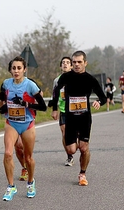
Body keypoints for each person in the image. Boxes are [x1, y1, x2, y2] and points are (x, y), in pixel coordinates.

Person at [51, 50, 107, 186]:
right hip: (70, 118)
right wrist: (54, 109)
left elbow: (103, 97)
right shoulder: (65, 77)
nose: (76, 65)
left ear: (85, 63)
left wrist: (98, 102)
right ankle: (73, 146)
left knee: (84, 148)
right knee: (71, 149)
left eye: (79, 62)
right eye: (74, 62)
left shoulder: (91, 79)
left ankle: (82, 174)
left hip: (84, 118)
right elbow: (56, 92)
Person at [0, 56, 47, 201]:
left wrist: (25, 104)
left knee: (28, 157)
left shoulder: (30, 85)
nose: (16, 71)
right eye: (13, 68)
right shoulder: (6, 84)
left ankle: (31, 182)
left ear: (24, 70)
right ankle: (10, 186)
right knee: (8, 154)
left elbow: (43, 107)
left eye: (19, 68)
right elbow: (1, 107)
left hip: (27, 124)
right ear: (10, 70)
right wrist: (7, 106)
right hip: (12, 123)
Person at [50, 56, 74, 166]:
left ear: (71, 66)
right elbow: (54, 96)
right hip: (63, 110)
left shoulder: (76, 78)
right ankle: (69, 156)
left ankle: (74, 147)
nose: (65, 64)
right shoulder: (57, 80)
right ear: (61, 66)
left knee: (75, 135)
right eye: (63, 62)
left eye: (67, 62)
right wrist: (54, 110)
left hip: (75, 111)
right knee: (64, 133)